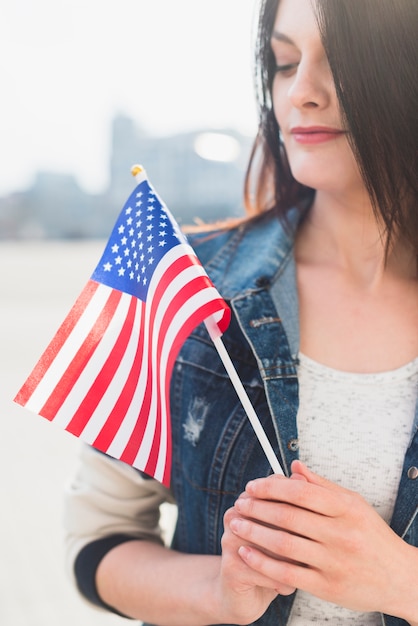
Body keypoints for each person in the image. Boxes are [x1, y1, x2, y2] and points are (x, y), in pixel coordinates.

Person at [63, 0, 418, 624]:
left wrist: (399, 581)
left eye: (340, 61)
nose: (300, 92)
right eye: (283, 62)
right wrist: (217, 594)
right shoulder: (192, 287)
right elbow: (99, 541)